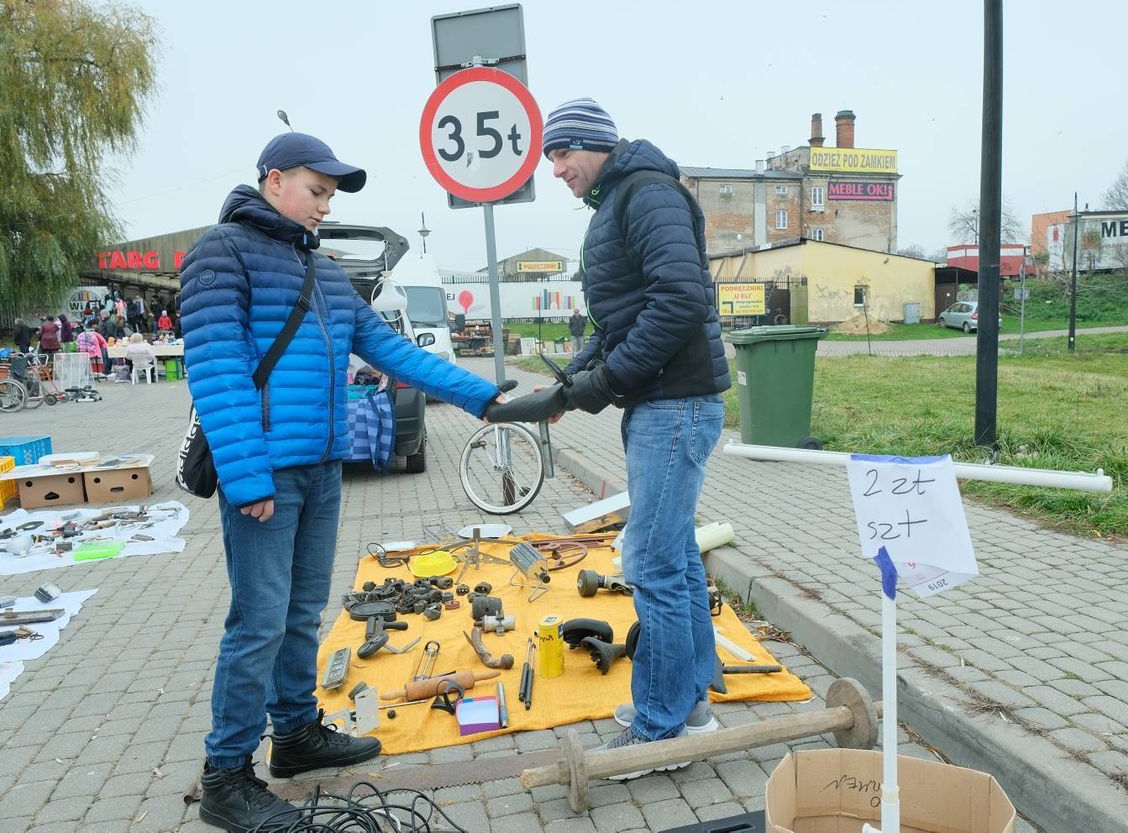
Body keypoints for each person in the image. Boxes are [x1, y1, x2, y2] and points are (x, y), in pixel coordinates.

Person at [180, 130, 504, 833]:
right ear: (273, 180)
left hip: (322, 470)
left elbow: (387, 346)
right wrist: (246, 475)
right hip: (265, 472)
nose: (325, 205)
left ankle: (294, 734)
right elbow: (215, 369)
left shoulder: (320, 269)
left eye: (330, 195)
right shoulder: (221, 252)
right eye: (316, 190)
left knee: (302, 614)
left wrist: (485, 397)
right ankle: (226, 776)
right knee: (258, 621)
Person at [541, 99, 731, 773]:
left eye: (562, 152)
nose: (556, 167)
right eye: (549, 156)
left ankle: (660, 730)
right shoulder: (617, 201)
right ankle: (691, 710)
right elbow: (616, 317)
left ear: (593, 143)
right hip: (661, 401)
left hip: (674, 403)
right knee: (674, 558)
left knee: (648, 561)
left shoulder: (646, 194)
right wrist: (573, 380)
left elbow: (679, 300)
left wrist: (607, 380)